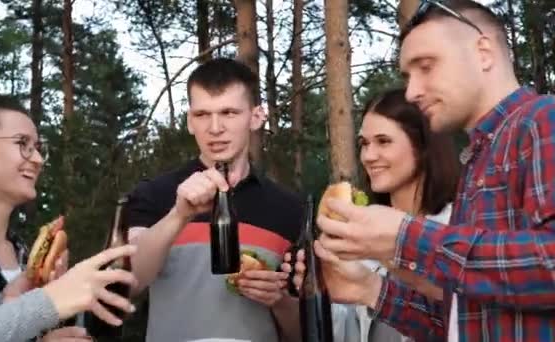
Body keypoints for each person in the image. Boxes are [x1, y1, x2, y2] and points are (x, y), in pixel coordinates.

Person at [302, 0, 555, 341]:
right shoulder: (478, 159)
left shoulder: (543, 120)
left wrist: (406, 237)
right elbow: (463, 320)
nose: (412, 91)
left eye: (426, 66)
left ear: (483, 52)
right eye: (408, 75)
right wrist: (369, 288)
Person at [0, 26, 137, 341]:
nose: (37, 159)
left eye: (38, 148)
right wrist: (49, 301)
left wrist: (44, 308)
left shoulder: (29, 257)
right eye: (22, 144)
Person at [124, 57, 303, 342]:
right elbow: (128, 283)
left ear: (256, 117)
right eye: (202, 114)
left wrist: (279, 300)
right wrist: (178, 216)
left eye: (229, 113)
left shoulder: (289, 209)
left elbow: (305, 334)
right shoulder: (154, 194)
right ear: (189, 122)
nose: (215, 128)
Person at [283, 88, 460, 342]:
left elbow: (468, 321)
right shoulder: (358, 232)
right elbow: (346, 331)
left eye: (383, 141)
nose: (369, 156)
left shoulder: (457, 229)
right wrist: (318, 292)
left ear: (423, 146)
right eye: (364, 143)